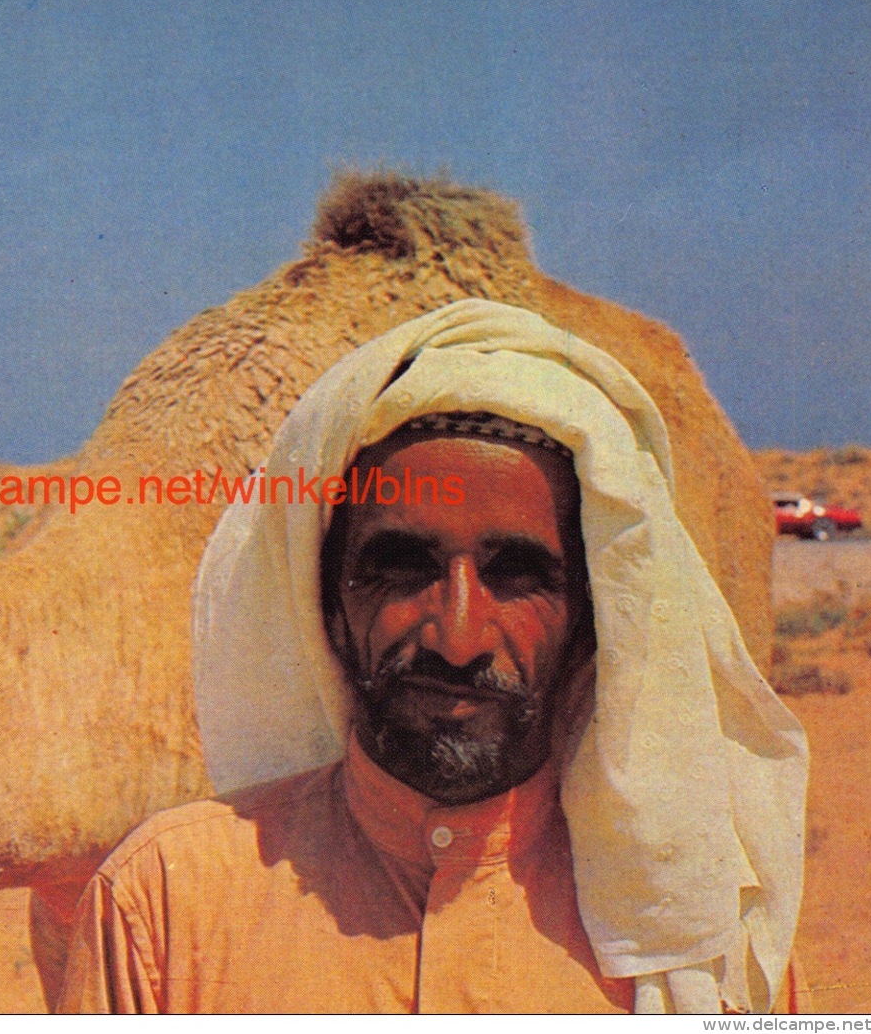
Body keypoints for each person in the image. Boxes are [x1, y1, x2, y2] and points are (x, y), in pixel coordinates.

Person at [57, 299, 808, 1014]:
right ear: (327, 602)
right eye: (401, 566)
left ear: (590, 617)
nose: (458, 637)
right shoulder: (165, 903)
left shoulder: (702, 948)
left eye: (516, 575)